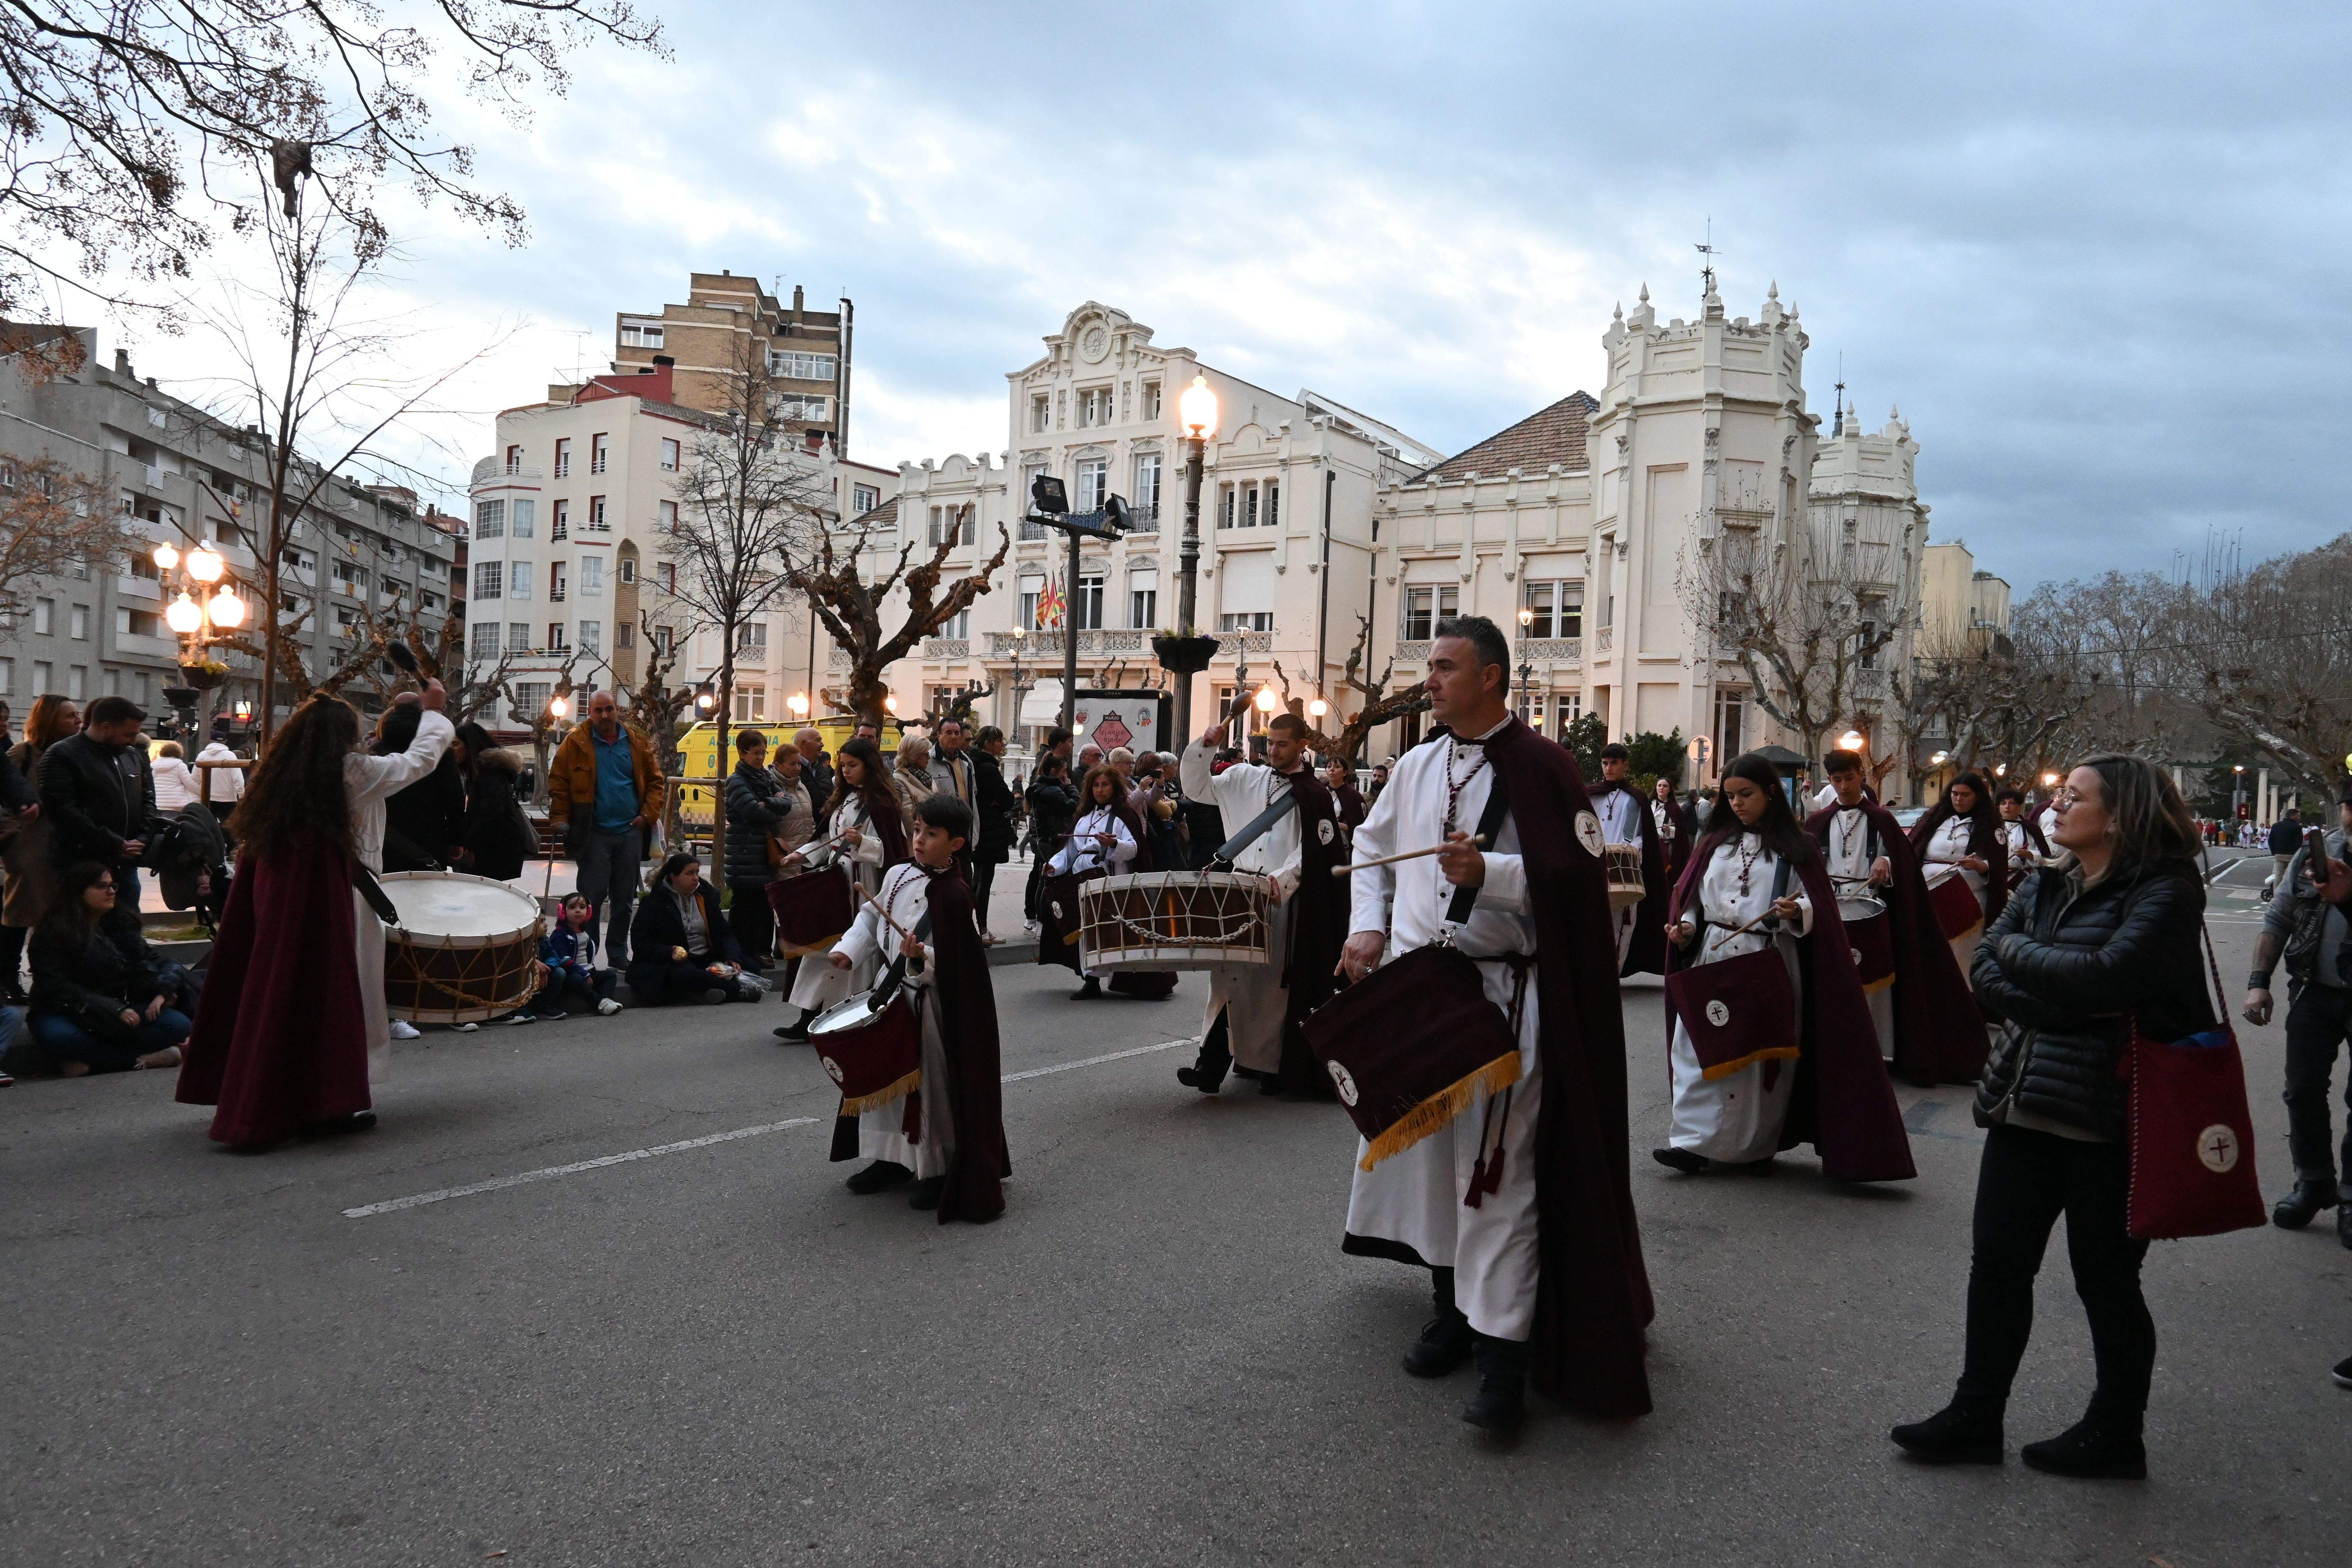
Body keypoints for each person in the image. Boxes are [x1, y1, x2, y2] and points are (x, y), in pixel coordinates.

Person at [1336, 615, 1652, 1432]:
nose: (1429, 679)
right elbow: (1372, 854)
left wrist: (1494, 873)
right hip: (1419, 995)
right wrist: (1363, 927)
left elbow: (1579, 883)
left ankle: (1503, 1356)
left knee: (1498, 1177)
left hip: (1503, 1002)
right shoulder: (1412, 764)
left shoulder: (1545, 767)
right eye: (1428, 666)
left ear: (1490, 677)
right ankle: (1449, 1308)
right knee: (1432, 1166)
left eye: (1444, 667)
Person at [1893, 755, 2213, 1481]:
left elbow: (2112, 976)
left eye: (2073, 797)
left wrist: (2031, 966)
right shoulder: (2045, 878)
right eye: (2058, 794)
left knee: (2104, 1280)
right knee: (1996, 1268)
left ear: (2120, 815)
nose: (2056, 805)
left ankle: (2115, 1432)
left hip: (2109, 1116)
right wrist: (2060, 991)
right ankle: (1975, 1414)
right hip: (2023, 1099)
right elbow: (1987, 970)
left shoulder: (2165, 889)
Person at [177, 681, 453, 1146]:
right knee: (334, 999)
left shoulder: (282, 774)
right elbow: (417, 762)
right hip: (332, 897)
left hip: (282, 894)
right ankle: (324, 1100)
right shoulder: (350, 772)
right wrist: (435, 715)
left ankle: (275, 1097)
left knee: (279, 991)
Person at [1655, 752, 1915, 1178]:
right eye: (1731, 796)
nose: (1737, 803)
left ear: (1770, 794)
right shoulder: (1714, 844)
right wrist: (1684, 927)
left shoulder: (1797, 848)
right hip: (1714, 955)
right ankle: (1690, 1141)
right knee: (1695, 1047)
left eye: (1747, 794)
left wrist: (1797, 913)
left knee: (1758, 1063)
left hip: (1768, 958)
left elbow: (1819, 905)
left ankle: (1754, 1147)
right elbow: (1694, 899)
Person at [823, 793, 1011, 1221]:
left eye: (932, 834)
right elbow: (871, 918)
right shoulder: (896, 874)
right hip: (889, 996)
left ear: (957, 844)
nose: (920, 840)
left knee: (929, 1092)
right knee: (884, 1084)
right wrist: (849, 949)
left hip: (926, 1003)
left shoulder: (956, 894)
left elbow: (957, 963)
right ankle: (890, 1159)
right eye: (918, 830)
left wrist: (919, 956)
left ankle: (938, 1169)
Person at [1175, 713, 1345, 1089]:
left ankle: (1267, 1065)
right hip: (1238, 891)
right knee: (1227, 980)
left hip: (1281, 899)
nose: (1274, 750)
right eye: (1271, 743)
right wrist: (1206, 745)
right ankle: (1212, 1064)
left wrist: (1282, 881)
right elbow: (1196, 788)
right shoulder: (1242, 778)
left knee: (1270, 989)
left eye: (1283, 744)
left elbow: (1313, 852)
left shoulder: (1316, 795)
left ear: (1303, 745)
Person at [1804, 750, 1986, 1085]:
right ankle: (1836, 1050)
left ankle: (1876, 1050)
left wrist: (1887, 866)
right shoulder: (1817, 822)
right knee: (1833, 985)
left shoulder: (1882, 819)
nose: (1844, 786)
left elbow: (1903, 869)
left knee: (1875, 985)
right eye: (1836, 780)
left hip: (1873, 913)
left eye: (1849, 778)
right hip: (1830, 914)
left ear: (1862, 775)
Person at [2246, 784, 2352, 1241]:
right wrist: (2258, 983)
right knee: (2303, 1089)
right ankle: (2314, 1182)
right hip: (2314, 989)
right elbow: (2280, 917)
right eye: (2350, 808)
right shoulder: (2319, 853)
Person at [777, 737, 906, 1040]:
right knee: (821, 948)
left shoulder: (883, 804)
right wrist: (803, 854)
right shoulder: (842, 799)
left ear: (869, 767)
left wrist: (863, 843)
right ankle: (808, 1016)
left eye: (853, 765)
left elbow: (892, 849)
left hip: (863, 885)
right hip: (835, 883)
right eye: (843, 765)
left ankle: (850, 1017)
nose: (846, 771)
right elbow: (826, 840)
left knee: (854, 949)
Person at [27, 860, 190, 1074]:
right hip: (65, 1010)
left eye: (113, 886)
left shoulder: (119, 925)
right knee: (62, 1037)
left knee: (178, 1025)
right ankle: (142, 1060)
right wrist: (114, 1010)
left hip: (120, 1009)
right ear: (78, 890)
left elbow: (158, 962)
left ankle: (90, 1065)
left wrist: (163, 991)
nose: (111, 892)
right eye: (101, 886)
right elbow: (55, 985)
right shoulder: (54, 931)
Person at [549, 691, 665, 967]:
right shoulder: (575, 743)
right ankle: (585, 956)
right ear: (590, 712)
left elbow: (656, 783)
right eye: (598, 710)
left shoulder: (637, 742)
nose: (604, 715)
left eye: (609, 709)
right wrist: (560, 818)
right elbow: (559, 784)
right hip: (594, 832)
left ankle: (617, 954)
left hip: (629, 832)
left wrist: (646, 815)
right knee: (590, 899)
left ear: (618, 710)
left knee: (624, 898)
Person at [38, 694, 161, 911]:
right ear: (106, 727)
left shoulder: (132, 756)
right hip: (82, 861)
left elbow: (148, 800)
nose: (133, 741)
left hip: (126, 861)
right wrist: (112, 841)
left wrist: (142, 838)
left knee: (128, 928)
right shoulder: (62, 754)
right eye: (128, 735)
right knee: (83, 928)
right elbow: (62, 810)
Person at [1047, 763, 1141, 1001]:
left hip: (1109, 878)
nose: (1100, 790)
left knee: (1108, 930)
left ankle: (1122, 977)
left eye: (1105, 785)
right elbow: (1069, 852)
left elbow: (1134, 850)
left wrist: (1114, 845)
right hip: (1082, 879)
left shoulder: (1124, 816)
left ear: (1114, 787)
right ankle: (1091, 980)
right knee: (1086, 929)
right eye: (1096, 785)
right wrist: (1053, 867)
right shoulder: (1083, 818)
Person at [1910, 772, 2008, 986]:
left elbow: (1999, 866)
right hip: (1930, 899)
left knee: (1961, 956)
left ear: (1978, 797)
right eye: (1955, 794)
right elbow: (1912, 849)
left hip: (1967, 901)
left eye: (1966, 795)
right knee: (1930, 954)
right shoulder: (1934, 820)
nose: (1959, 799)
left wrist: (1980, 866)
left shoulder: (1990, 826)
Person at [0, 694, 66, 1002]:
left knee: (53, 919)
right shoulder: (22, 752)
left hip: (60, 845)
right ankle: (9, 982)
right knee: (19, 915)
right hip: (27, 846)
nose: (78, 721)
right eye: (69, 716)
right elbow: (7, 789)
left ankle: (48, 981)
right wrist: (12, 835)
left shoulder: (74, 753)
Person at [626, 853, 758, 1006]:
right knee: (686, 975)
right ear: (673, 877)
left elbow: (725, 933)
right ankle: (738, 991)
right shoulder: (654, 904)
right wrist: (670, 951)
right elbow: (641, 943)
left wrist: (732, 957)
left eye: (697, 872)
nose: (696, 878)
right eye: (689, 873)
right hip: (674, 962)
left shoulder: (705, 898)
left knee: (751, 966)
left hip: (707, 957)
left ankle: (705, 994)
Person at [1587, 742, 1669, 976]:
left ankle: (1613, 974)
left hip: (1623, 869)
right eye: (1605, 763)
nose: (1609, 768)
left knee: (1621, 923)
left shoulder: (1635, 798)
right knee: (1593, 924)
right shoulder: (1590, 795)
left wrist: (1631, 850)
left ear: (1624, 765)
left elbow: (1641, 836)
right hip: (1594, 868)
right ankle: (1593, 972)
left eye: (1614, 763)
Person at [722, 729, 789, 968]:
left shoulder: (765, 777)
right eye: (756, 753)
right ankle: (743, 952)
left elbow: (786, 802)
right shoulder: (737, 781)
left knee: (764, 903)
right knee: (745, 905)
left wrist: (769, 802)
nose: (761, 758)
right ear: (742, 753)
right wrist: (772, 806)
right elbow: (752, 811)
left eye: (764, 753)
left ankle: (761, 950)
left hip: (762, 850)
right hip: (744, 852)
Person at [377, 704, 466, 872]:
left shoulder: (373, 755)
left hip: (383, 840)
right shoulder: (440, 755)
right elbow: (455, 800)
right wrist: (457, 840)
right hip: (429, 840)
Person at [452, 722, 533, 882]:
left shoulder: (489, 775)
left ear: (470, 745)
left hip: (493, 851)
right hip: (494, 849)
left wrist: (471, 846)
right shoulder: (481, 774)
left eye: (456, 744)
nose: (451, 750)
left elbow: (491, 813)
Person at [528, 893, 624, 1018]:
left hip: (587, 972)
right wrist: (584, 974)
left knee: (610, 975)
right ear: (562, 911)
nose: (578, 911)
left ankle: (607, 1000)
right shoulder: (560, 935)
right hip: (572, 975)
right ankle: (598, 1004)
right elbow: (563, 959)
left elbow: (588, 957)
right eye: (572, 908)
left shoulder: (585, 934)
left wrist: (589, 971)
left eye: (582, 908)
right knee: (575, 979)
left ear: (588, 911)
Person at [970, 725, 1017, 944]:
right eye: (999, 741)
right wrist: (999, 802)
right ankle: (983, 929)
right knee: (984, 881)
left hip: (980, 828)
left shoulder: (972, 762)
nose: (1002, 745)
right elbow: (1008, 799)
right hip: (990, 830)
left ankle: (974, 927)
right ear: (988, 743)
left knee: (977, 879)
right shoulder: (988, 767)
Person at [1021, 750, 1077, 934]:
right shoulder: (1052, 790)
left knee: (1042, 880)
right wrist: (1070, 787)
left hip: (1045, 838)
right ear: (1054, 771)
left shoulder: (1041, 787)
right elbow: (1072, 806)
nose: (1066, 776)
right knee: (1047, 882)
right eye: (1063, 772)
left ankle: (1040, 923)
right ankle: (1042, 923)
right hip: (1052, 839)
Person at [1996, 787, 2052, 885]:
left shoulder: (2031, 828)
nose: (2007, 807)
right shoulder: (1991, 827)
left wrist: (2029, 854)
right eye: (2003, 803)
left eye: (2012, 803)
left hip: (2023, 879)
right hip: (1995, 877)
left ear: (2019, 806)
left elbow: (2045, 856)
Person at [1651, 775, 1696, 889]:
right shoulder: (1649, 804)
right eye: (1659, 786)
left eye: (1665, 786)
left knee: (1665, 874)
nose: (1662, 788)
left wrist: (1669, 830)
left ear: (1669, 790)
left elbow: (1680, 831)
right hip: (1649, 845)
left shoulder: (1674, 808)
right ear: (1656, 788)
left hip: (1665, 846)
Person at [195, 734, 246, 809]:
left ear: (211, 741)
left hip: (206, 798)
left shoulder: (202, 755)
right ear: (225, 742)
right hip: (228, 799)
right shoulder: (230, 756)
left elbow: (195, 779)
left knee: (208, 820)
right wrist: (242, 796)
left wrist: (199, 794)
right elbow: (238, 778)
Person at [151, 741, 198, 813]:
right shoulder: (180, 766)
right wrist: (203, 792)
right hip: (175, 803)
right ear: (179, 753)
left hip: (158, 802)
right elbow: (189, 783)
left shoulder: (155, 766)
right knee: (171, 824)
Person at [2268, 806, 2303, 898]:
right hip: (2292, 855)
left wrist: (2274, 851)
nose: (2299, 818)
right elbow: (2299, 843)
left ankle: (2277, 896)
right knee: (2292, 876)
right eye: (2298, 816)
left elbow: (2271, 840)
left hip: (2279, 854)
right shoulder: (2297, 827)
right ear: (2293, 816)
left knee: (2278, 876)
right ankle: (2290, 895)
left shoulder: (2276, 825)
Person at [794, 727, 835, 805]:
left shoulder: (825, 770)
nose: (822, 744)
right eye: (818, 740)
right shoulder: (790, 770)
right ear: (803, 743)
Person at [1326, 758, 1367, 833]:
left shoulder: (1354, 797)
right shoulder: (1320, 792)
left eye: (1337, 767)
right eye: (1329, 767)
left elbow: (1361, 826)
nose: (1332, 770)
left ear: (1345, 773)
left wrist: (1340, 825)